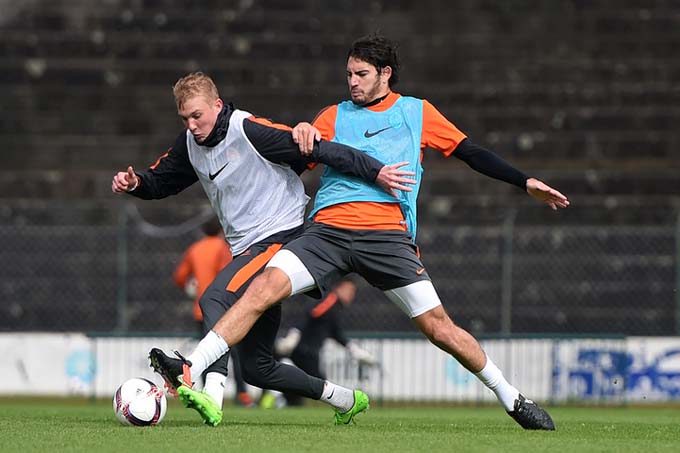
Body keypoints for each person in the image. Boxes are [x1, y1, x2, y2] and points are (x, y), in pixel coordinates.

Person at [151, 35, 569, 430]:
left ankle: (512, 398)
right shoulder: (332, 116)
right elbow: (292, 161)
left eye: (361, 74)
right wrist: (302, 131)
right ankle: (192, 367)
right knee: (263, 287)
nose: (352, 81)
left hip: (386, 235)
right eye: (349, 74)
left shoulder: (417, 112)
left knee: (439, 328)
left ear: (385, 74)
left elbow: (471, 152)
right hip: (326, 233)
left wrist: (524, 181)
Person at [112, 71, 416, 426]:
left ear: (217, 105)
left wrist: (375, 171)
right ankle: (345, 399)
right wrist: (136, 183)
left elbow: (319, 150)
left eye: (197, 115)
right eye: (185, 119)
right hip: (249, 249)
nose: (192, 125)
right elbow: (162, 180)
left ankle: (210, 392)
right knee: (258, 368)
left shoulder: (248, 130)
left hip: (281, 237)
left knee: (215, 298)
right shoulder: (190, 144)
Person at [173, 216, 253, 407]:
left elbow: (180, 276)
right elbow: (226, 274)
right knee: (234, 353)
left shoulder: (195, 249)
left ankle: (203, 393)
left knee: (205, 351)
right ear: (220, 230)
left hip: (201, 310)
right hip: (223, 308)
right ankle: (242, 394)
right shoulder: (223, 248)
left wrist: (190, 288)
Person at [274, 276, 376, 407]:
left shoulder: (336, 307)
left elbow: (334, 332)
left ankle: (283, 399)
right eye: (349, 290)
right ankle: (344, 405)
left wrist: (353, 349)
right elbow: (311, 313)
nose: (351, 295)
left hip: (308, 351)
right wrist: (295, 334)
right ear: (339, 287)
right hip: (304, 349)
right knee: (319, 383)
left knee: (306, 383)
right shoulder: (330, 300)